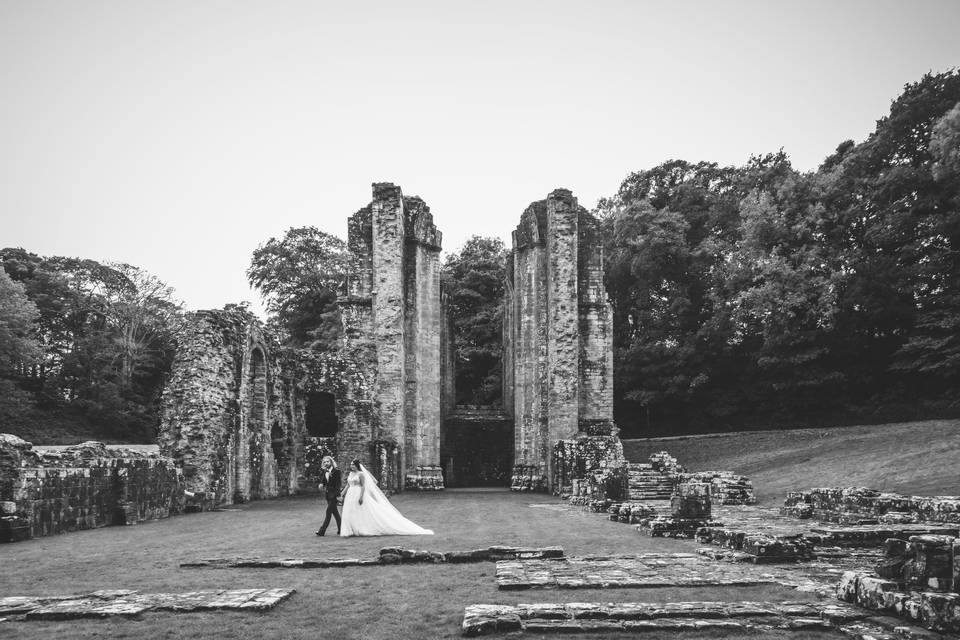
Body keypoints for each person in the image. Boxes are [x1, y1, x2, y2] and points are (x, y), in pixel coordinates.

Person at [339, 458, 433, 536]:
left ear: (357, 465)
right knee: (350, 511)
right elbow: (348, 485)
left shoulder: (361, 474)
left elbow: (363, 486)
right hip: (350, 494)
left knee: (360, 511)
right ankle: (351, 529)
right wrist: (341, 494)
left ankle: (361, 529)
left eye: (353, 464)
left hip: (358, 492)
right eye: (351, 464)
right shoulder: (351, 474)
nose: (351, 466)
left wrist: (361, 497)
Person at [315, 456, 342, 536]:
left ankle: (321, 531)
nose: (326, 463)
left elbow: (338, 484)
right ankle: (341, 529)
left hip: (334, 495)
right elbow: (324, 481)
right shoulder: (325, 471)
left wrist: (338, 495)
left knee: (328, 512)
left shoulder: (337, 471)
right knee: (335, 513)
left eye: (328, 461)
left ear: (331, 462)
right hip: (328, 495)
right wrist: (321, 484)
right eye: (325, 462)